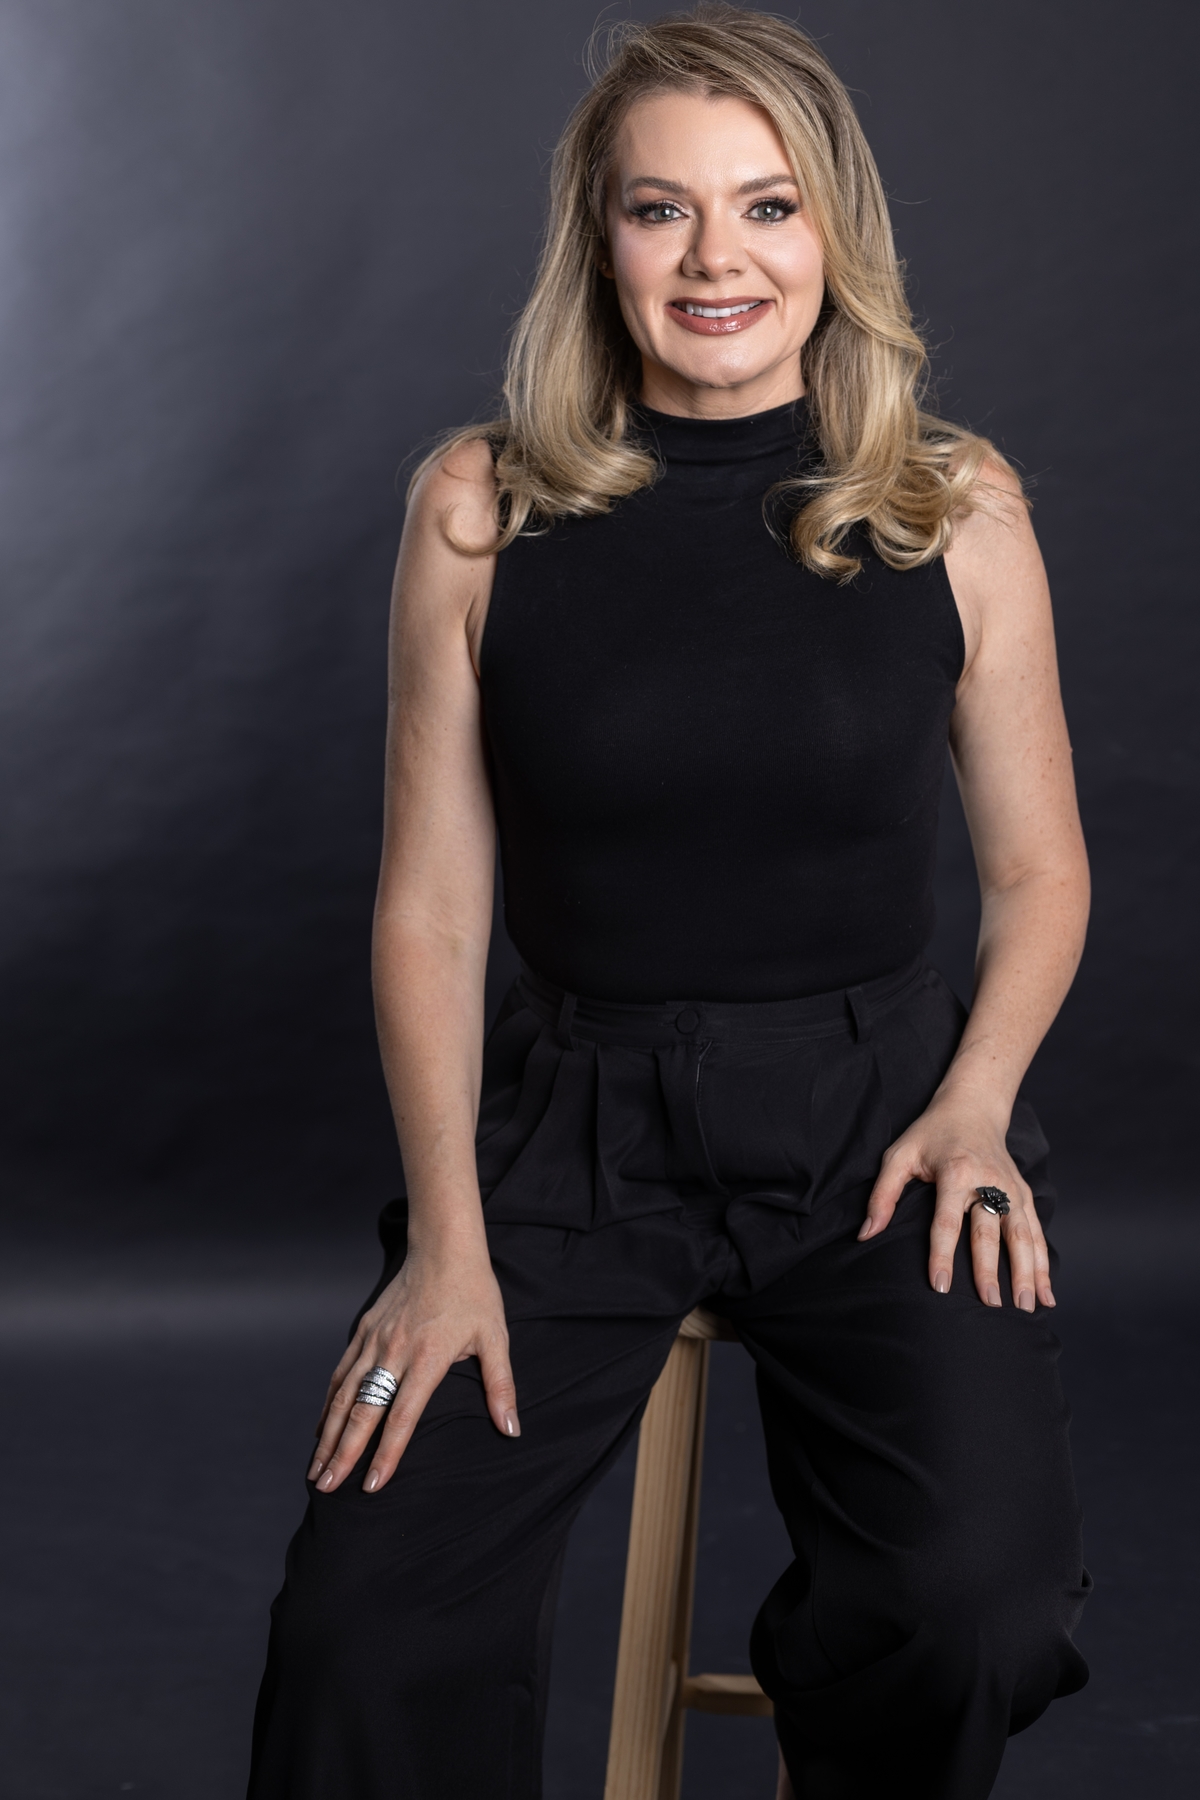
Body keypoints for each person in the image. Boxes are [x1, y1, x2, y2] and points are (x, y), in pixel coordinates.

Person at [246, 8, 1091, 1796]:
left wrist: (978, 1107)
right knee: (360, 1630)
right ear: (601, 240)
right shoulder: (479, 508)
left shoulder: (953, 507)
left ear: (834, 231)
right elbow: (431, 914)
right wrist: (449, 1248)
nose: (718, 259)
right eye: (662, 209)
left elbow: (1038, 871)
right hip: (573, 1142)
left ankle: (839, 1699)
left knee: (972, 1608)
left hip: (881, 1130)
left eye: (767, 206)